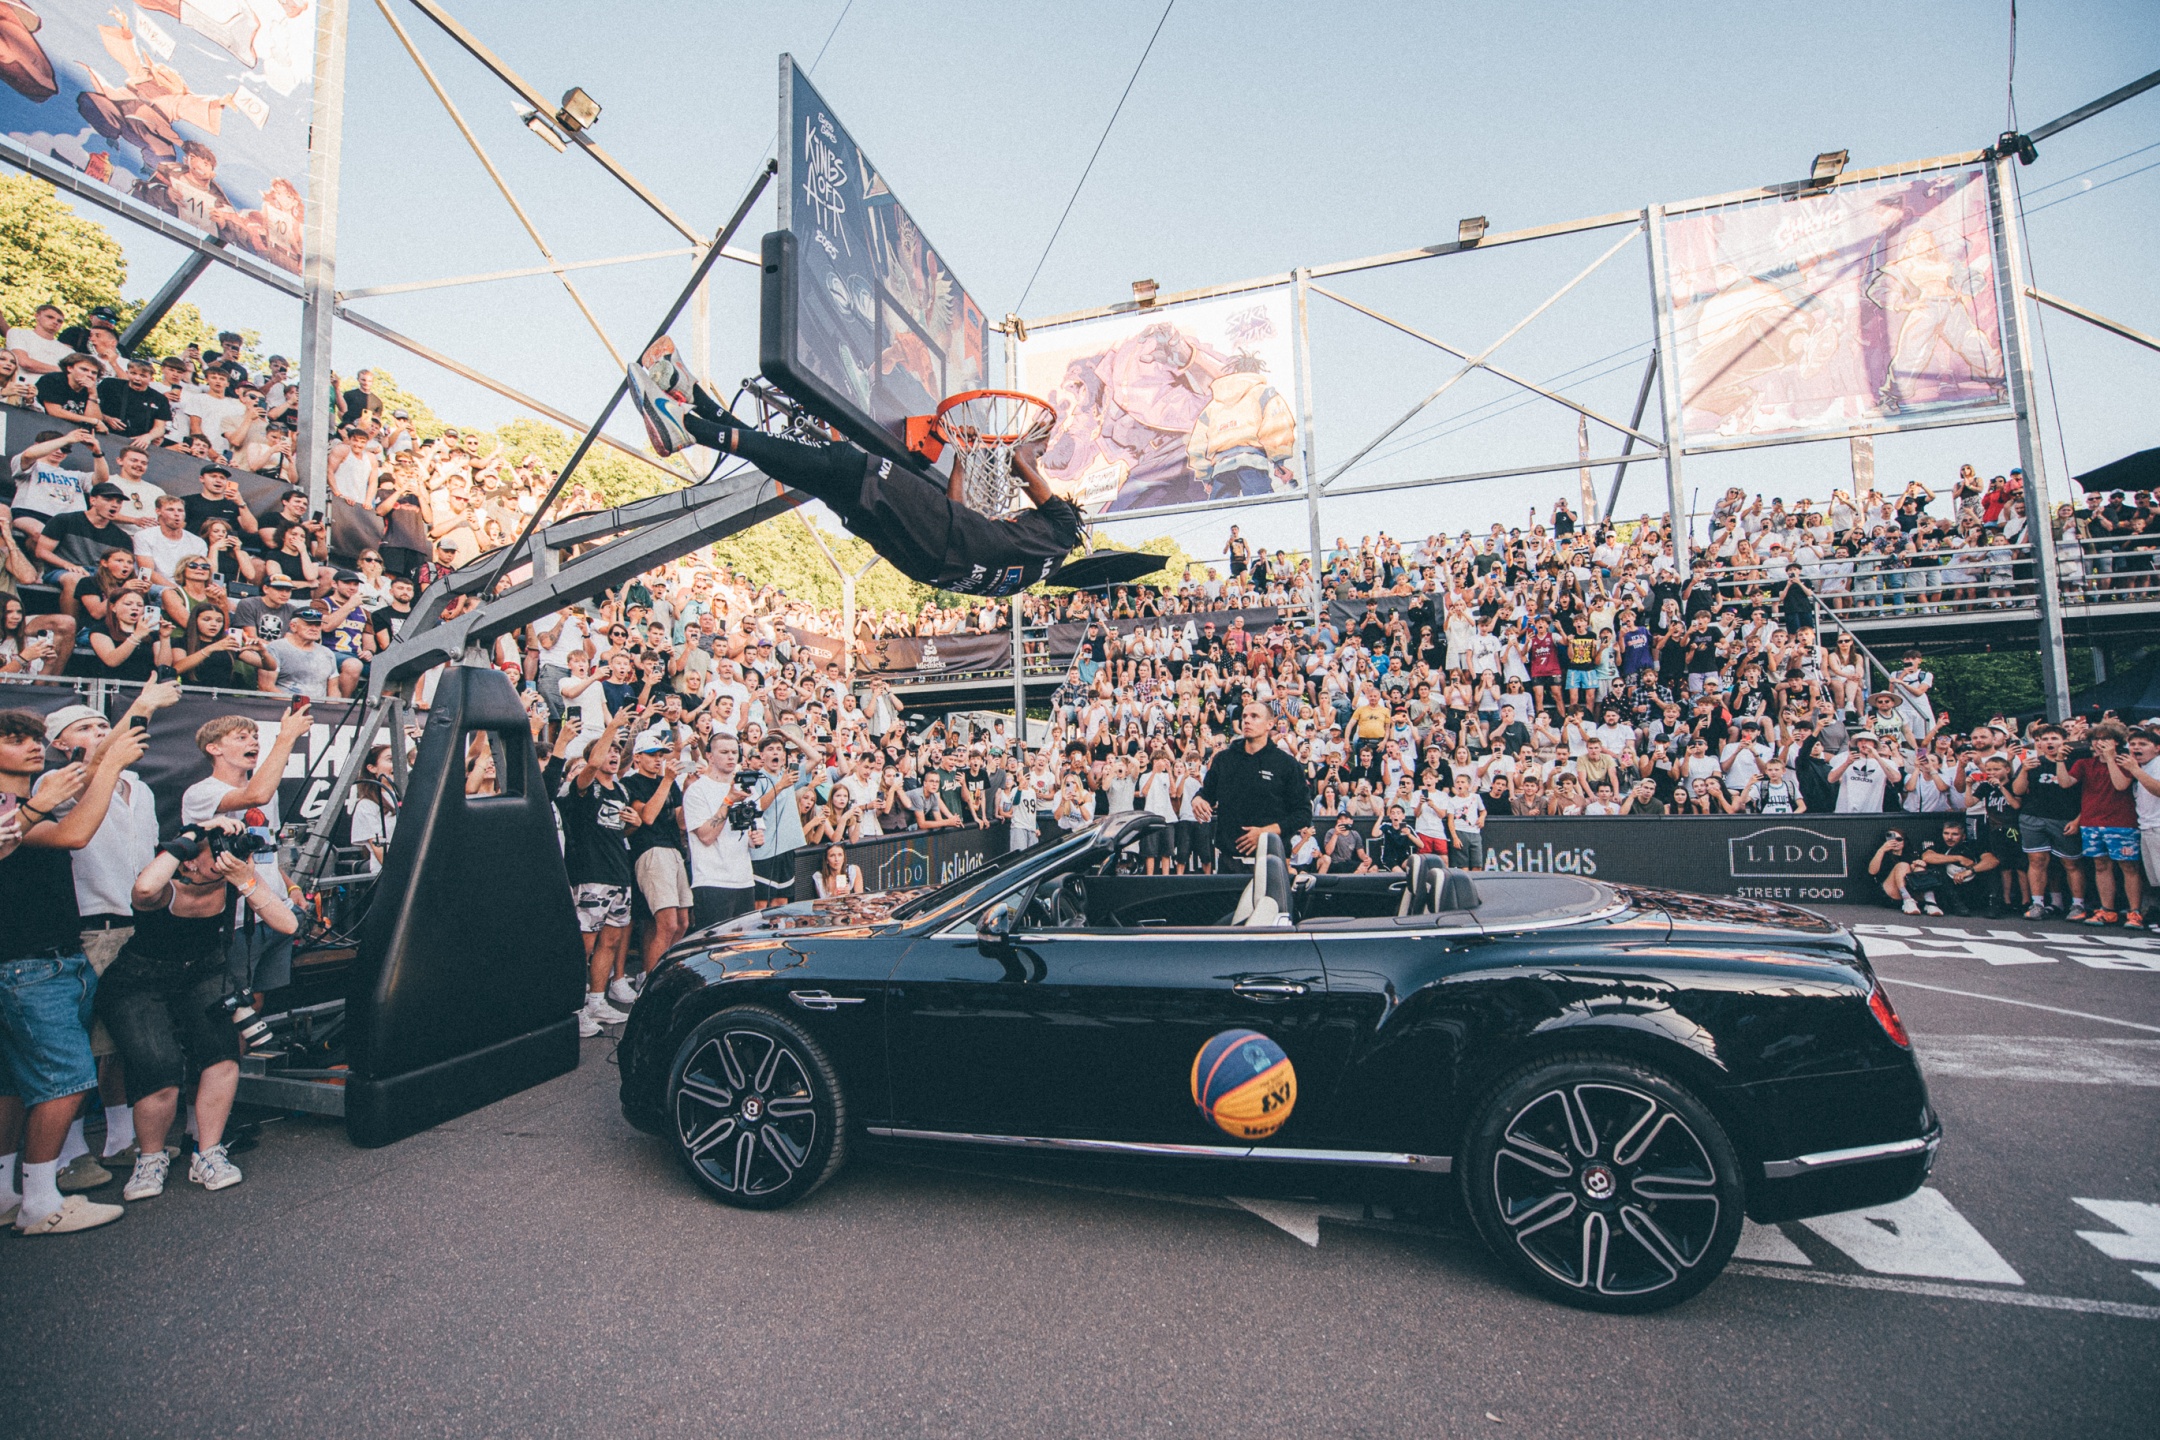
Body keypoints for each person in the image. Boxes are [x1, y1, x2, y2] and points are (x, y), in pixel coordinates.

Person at [629, 361, 1085, 598]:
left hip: (940, 535)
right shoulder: (1029, 567)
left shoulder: (1062, 526)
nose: (1022, 510)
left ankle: (692, 428)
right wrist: (962, 462)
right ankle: (701, 404)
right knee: (828, 481)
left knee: (846, 463)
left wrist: (1033, 442)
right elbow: (961, 517)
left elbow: (1021, 461)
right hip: (924, 561)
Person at [0, 706, 146, 1235]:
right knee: (66, 1081)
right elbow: (75, 833)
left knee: (13, 1086)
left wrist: (142, 708)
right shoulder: (17, 807)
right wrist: (110, 769)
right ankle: (41, 1202)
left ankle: (5, 1194)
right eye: (14, 738)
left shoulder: (31, 800)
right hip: (29, 962)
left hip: (47, 956)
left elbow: (91, 768)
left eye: (34, 737)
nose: (32, 746)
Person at [98, 815, 298, 1200]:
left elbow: (287, 924)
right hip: (139, 979)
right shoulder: (166, 886)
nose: (226, 856)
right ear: (188, 860)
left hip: (203, 971)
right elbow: (144, 888)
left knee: (222, 1057)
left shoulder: (232, 881)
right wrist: (194, 832)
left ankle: (208, 1153)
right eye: (215, 851)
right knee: (160, 1068)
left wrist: (246, 879)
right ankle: (150, 1158)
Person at [179, 707, 313, 998]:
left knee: (260, 997)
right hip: (235, 921)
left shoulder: (267, 792)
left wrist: (290, 887)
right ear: (214, 748)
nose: (253, 742)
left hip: (274, 910)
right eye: (241, 737)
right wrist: (286, 737)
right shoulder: (201, 792)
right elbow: (256, 796)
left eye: (254, 737)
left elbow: (265, 851)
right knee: (234, 1002)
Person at [554, 705, 640, 1032]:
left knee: (611, 941)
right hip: (591, 875)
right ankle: (574, 1009)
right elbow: (591, 764)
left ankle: (597, 1001)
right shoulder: (585, 785)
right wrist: (611, 728)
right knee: (585, 945)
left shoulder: (621, 790)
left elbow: (617, 832)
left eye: (617, 751)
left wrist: (633, 824)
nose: (614, 755)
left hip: (619, 874)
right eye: (609, 750)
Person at [1192, 704, 1310, 872]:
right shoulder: (1224, 760)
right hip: (1230, 863)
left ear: (1270, 724)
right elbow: (1206, 794)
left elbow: (1303, 814)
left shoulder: (1286, 764)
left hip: (1271, 861)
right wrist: (1198, 799)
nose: (1246, 720)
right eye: (1244, 716)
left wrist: (1265, 833)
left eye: (1254, 716)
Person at [622, 729, 691, 994]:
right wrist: (668, 780)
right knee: (668, 923)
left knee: (682, 923)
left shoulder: (669, 783)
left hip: (673, 850)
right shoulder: (632, 783)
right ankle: (652, 987)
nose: (658, 759)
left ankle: (658, 974)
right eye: (652, 755)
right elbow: (647, 817)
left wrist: (689, 787)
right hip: (650, 850)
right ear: (637, 757)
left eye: (661, 754)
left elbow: (681, 822)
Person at [682, 730, 763, 929]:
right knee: (715, 943)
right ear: (709, 756)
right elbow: (706, 836)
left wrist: (756, 837)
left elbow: (756, 832)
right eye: (724, 752)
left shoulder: (748, 789)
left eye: (734, 752)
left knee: (743, 943)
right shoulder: (697, 790)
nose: (731, 757)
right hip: (712, 881)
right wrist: (728, 801)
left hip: (744, 879)